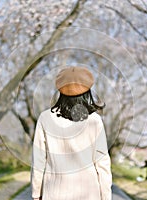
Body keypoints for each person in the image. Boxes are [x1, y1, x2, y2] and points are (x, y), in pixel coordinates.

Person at [31, 66, 112, 200]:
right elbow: (102, 163)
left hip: (54, 193)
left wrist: (36, 193)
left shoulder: (45, 118)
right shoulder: (94, 121)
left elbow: (39, 161)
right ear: (87, 92)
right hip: (89, 194)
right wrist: (106, 197)